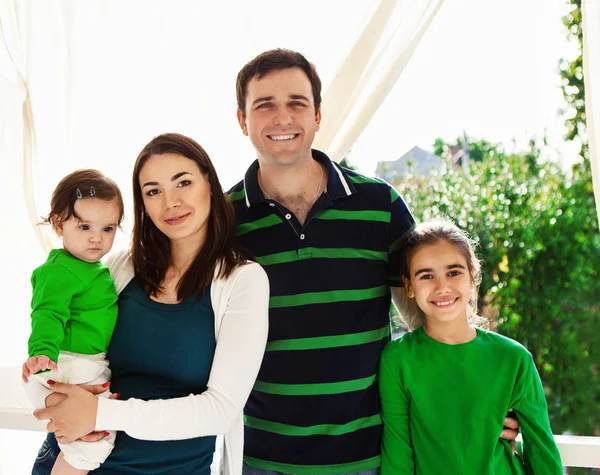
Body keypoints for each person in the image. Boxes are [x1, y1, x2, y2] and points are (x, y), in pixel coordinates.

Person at [229, 48, 520, 475]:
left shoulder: (380, 204)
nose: (283, 117)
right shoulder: (222, 219)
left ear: (318, 115)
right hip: (263, 459)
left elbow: (432, 321)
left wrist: (476, 399)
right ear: (243, 120)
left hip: (368, 459)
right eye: (265, 105)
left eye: (297, 103)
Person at [26, 133, 270, 475]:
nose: (170, 202)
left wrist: (100, 413)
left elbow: (221, 409)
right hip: (73, 461)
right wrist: (51, 394)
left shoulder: (242, 280)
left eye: (182, 183)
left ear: (210, 186)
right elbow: (64, 349)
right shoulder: (119, 268)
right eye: (153, 191)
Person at [379, 219, 563, 474]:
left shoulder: (514, 359)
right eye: (426, 275)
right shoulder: (397, 359)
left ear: (472, 276)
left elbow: (543, 452)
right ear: (408, 285)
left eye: (454, 272)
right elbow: (397, 460)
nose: (442, 287)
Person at [23, 169, 124, 474]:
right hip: (72, 362)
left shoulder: (90, 267)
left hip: (84, 362)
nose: (97, 238)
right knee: (92, 442)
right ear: (58, 224)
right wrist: (42, 351)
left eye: (108, 228)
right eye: (84, 226)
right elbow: (46, 312)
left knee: (93, 433)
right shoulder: (60, 270)